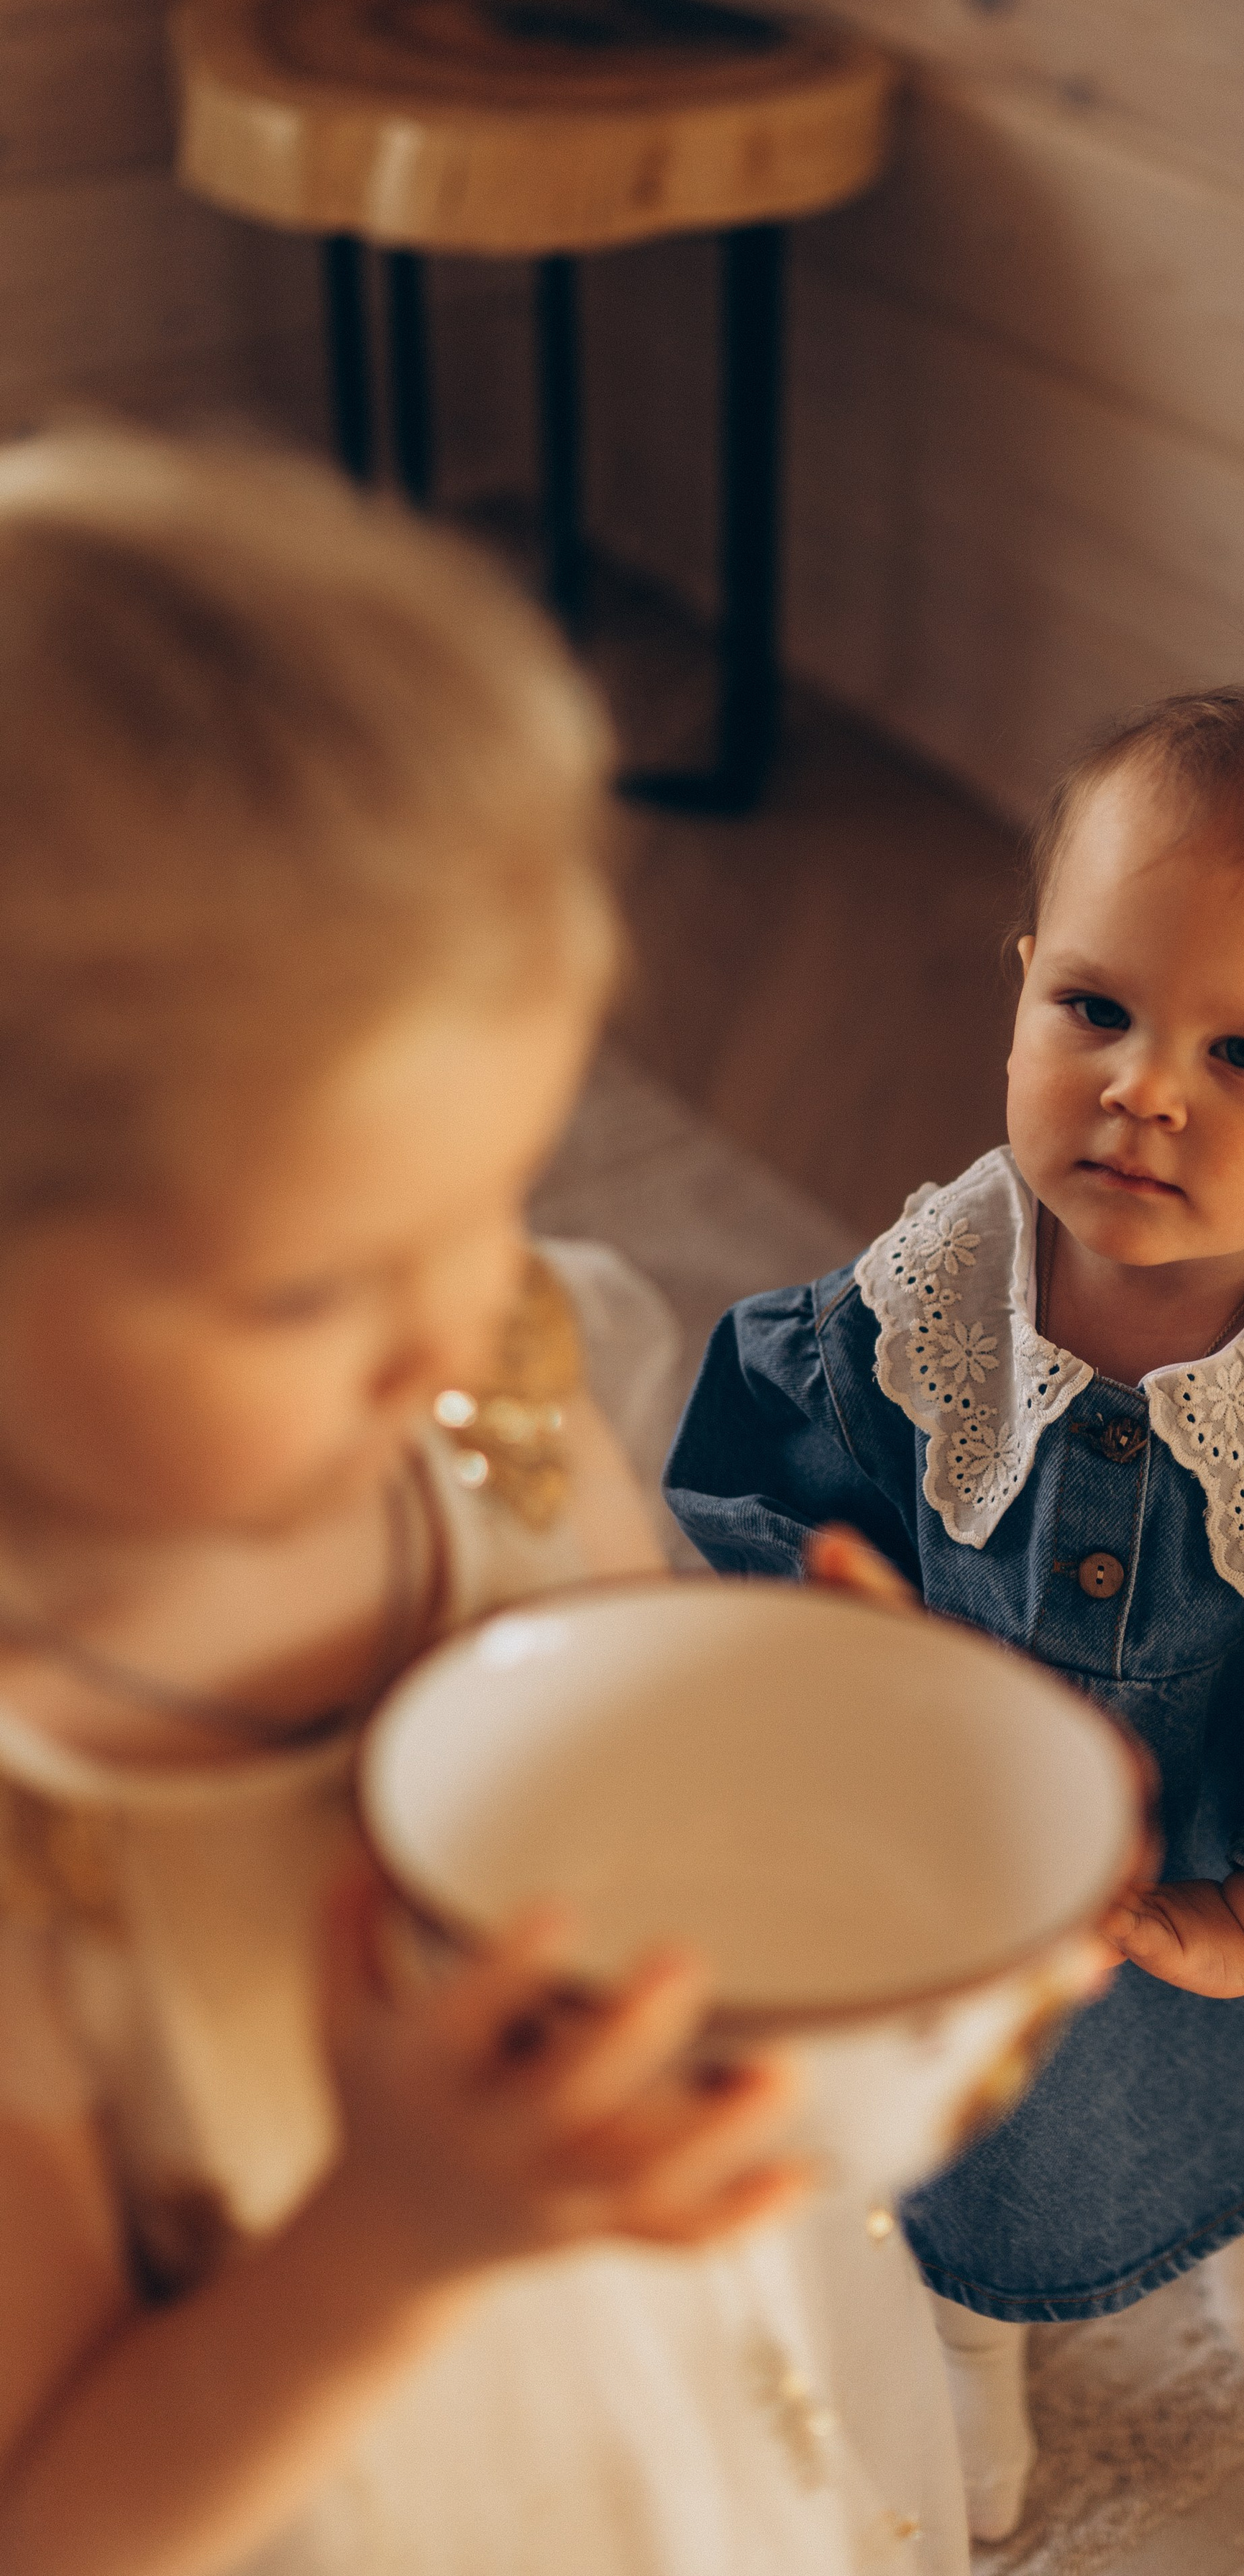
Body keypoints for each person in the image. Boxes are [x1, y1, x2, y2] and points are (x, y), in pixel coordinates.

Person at [0, 428, 966, 2576]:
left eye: (498, 1193)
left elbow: (616, 1708)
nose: (456, 1321)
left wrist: (820, 1760)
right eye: (315, 1281)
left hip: (638, 2358)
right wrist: (391, 2246)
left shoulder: (496, 1371)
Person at [664, 641, 1244, 2541]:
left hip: (1216, 1879)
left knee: (1225, 2083)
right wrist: (833, 1654)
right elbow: (773, 1495)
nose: (1145, 1092)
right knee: (968, 2149)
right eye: (1098, 1007)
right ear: (1023, 986)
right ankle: (970, 2346)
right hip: (952, 1877)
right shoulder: (913, 1316)